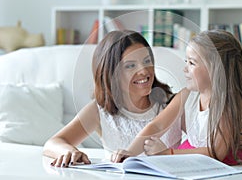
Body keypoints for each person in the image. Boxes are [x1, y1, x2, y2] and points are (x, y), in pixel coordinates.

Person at [112, 30, 242, 166]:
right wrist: (130, 152)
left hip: (227, 166)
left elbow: (216, 153)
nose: (185, 69)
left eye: (191, 63)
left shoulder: (226, 104)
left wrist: (167, 154)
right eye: (186, 61)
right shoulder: (187, 96)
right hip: (193, 159)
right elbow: (157, 125)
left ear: (216, 70)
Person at [43, 30, 182, 167]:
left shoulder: (173, 104)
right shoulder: (99, 111)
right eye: (130, 66)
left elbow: (202, 147)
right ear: (111, 74)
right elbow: (52, 143)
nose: (144, 71)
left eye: (147, 61)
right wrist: (70, 151)